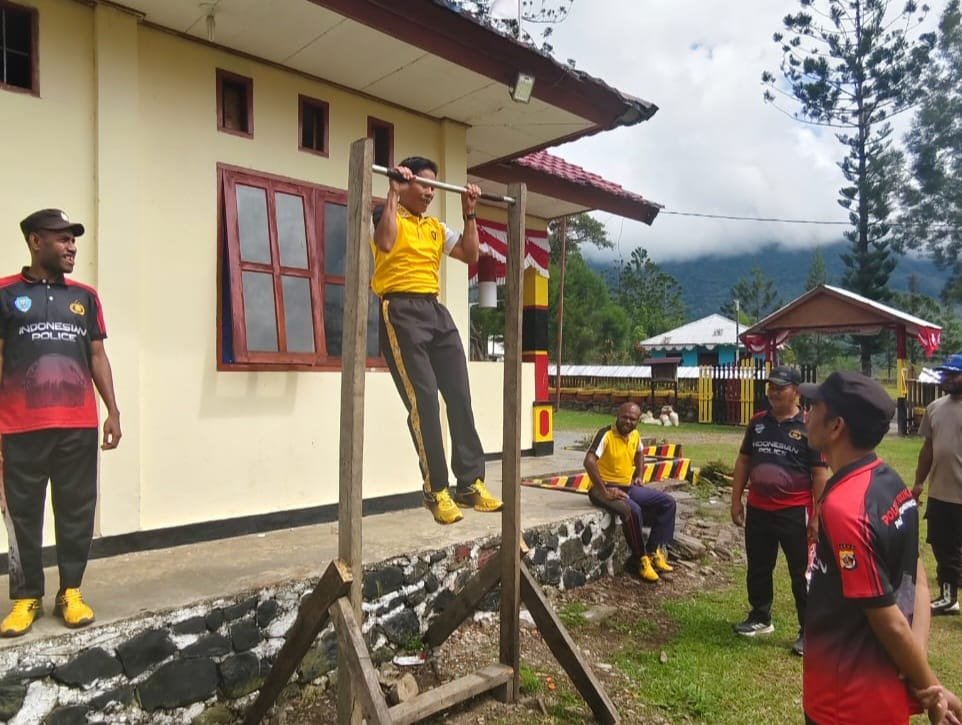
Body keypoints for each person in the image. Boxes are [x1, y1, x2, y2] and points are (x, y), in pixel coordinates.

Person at [801, 372, 962, 725]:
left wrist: (929, 686)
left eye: (814, 406)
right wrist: (918, 665)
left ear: (836, 426)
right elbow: (917, 577)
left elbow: (888, 620)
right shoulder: (889, 482)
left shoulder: (845, 508)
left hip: (845, 704)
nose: (805, 414)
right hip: (881, 697)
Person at [0, 209, 121, 637]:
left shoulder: (85, 298)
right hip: (19, 428)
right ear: (36, 242)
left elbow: (97, 356)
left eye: (74, 240)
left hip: (77, 426)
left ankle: (70, 591)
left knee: (76, 510)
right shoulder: (6, 294)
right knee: (22, 515)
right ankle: (26, 597)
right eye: (63, 239)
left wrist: (113, 410)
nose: (72, 247)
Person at [372, 158, 501, 525]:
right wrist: (393, 190)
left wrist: (469, 213)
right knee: (425, 401)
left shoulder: (435, 227)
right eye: (425, 185)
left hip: (434, 310)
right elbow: (385, 242)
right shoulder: (385, 216)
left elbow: (470, 255)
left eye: (434, 187)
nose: (430, 193)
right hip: (400, 309)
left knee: (459, 395)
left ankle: (470, 484)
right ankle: (436, 489)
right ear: (407, 183)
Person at [730, 365, 828, 656]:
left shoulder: (809, 426)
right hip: (759, 509)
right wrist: (736, 500)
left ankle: (810, 631)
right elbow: (744, 461)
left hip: (795, 511)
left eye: (780, 388)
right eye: (770, 387)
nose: (773, 392)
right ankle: (760, 616)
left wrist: (818, 516)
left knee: (803, 573)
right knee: (759, 566)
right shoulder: (758, 422)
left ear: (796, 392)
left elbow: (819, 474)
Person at [583, 402, 677, 582]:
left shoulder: (634, 435)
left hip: (626, 487)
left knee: (668, 503)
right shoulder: (606, 434)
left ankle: (653, 552)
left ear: (638, 421)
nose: (628, 421)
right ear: (617, 416)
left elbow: (640, 452)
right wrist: (605, 491)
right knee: (632, 511)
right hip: (601, 488)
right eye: (624, 417)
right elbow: (589, 461)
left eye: (632, 419)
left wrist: (639, 475)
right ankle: (639, 560)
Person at [913, 353, 962, 616]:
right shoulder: (935, 408)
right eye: (945, 373)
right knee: (943, 546)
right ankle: (948, 597)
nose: (946, 378)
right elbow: (928, 449)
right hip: (941, 493)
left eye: (953, 374)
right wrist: (919, 482)